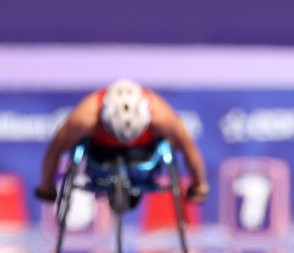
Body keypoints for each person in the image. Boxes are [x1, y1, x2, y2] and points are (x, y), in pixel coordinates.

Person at [34, 79, 210, 205]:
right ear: (104, 118)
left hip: (143, 156)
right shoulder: (86, 116)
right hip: (101, 156)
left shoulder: (161, 115)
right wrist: (46, 186)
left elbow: (189, 149)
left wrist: (200, 184)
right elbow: (56, 148)